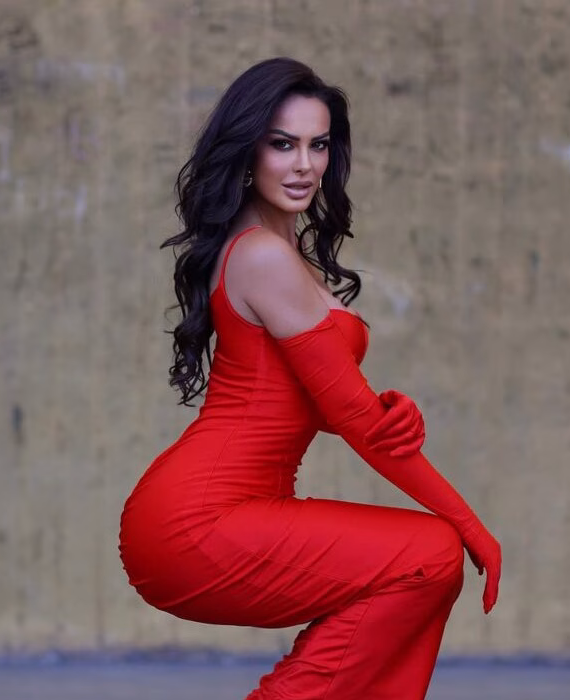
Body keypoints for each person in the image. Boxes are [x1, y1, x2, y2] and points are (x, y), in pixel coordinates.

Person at [119, 57, 501, 700]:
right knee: (431, 552)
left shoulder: (278, 253)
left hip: (223, 508)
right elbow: (350, 417)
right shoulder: (263, 256)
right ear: (248, 150)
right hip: (199, 518)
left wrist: (384, 410)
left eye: (317, 145)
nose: (303, 165)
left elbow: (305, 399)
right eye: (282, 144)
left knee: (416, 563)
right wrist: (470, 523)